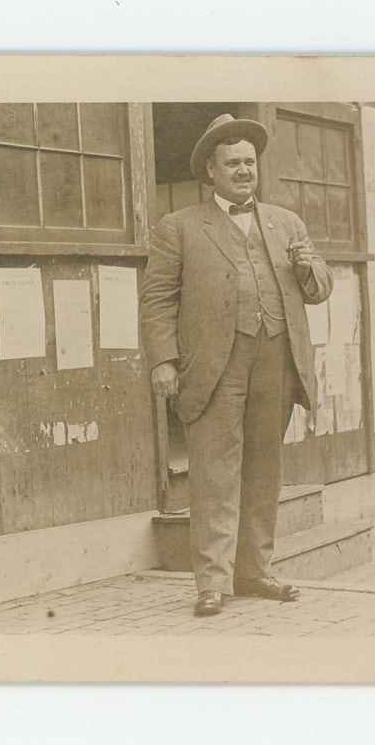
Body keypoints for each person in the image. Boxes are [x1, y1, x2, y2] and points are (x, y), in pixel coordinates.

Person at [140, 114, 334, 616]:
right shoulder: (178, 227)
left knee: (264, 468)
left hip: (276, 358)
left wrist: (309, 269)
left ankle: (256, 571)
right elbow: (158, 300)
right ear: (211, 171)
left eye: (250, 161)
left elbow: (319, 290)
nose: (245, 170)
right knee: (215, 471)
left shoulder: (286, 222)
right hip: (215, 365)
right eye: (233, 163)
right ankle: (212, 581)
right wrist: (163, 359)